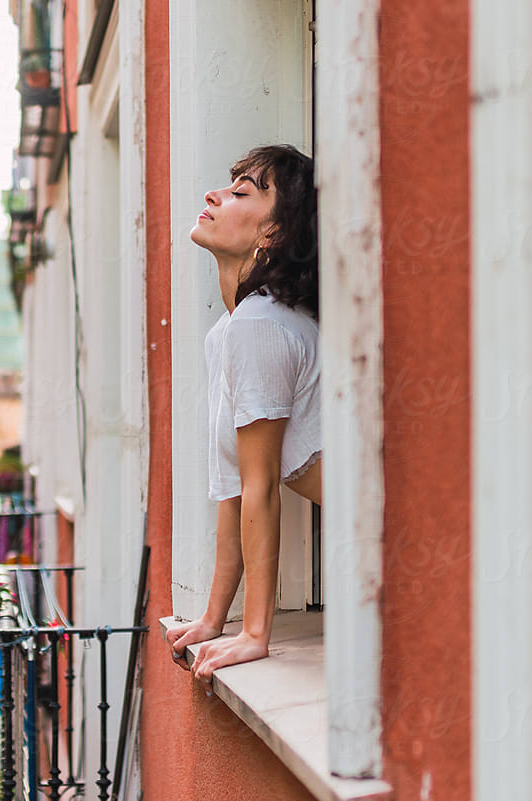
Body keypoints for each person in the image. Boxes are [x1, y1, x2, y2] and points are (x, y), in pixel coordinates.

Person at [165, 144, 321, 683]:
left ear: (272, 235)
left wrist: (255, 634)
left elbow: (261, 487)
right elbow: (230, 488)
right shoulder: (227, 333)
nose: (213, 195)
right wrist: (213, 618)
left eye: (241, 193)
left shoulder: (262, 323)